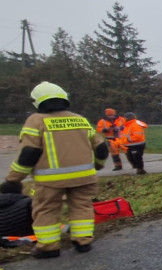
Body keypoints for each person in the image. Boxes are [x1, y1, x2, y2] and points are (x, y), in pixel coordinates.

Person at [0, 82, 109, 258]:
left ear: (37, 102)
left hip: (49, 181)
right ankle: (83, 242)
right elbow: (102, 148)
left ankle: (49, 247)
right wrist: (97, 165)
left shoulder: (36, 121)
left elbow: (28, 154)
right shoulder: (79, 119)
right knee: (82, 207)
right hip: (84, 178)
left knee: (46, 210)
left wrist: (13, 179)